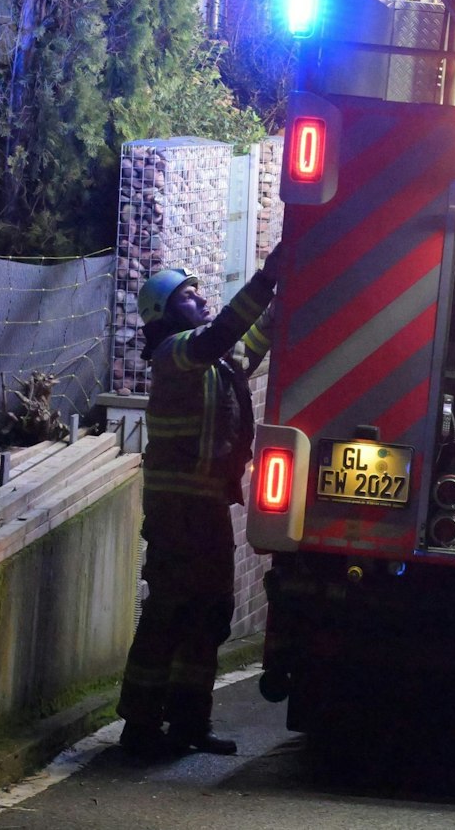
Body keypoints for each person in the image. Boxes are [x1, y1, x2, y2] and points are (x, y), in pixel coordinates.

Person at [117, 240, 285, 759]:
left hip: (206, 509)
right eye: (189, 295)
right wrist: (264, 279)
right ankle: (140, 725)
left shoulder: (213, 361)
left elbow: (253, 338)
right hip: (177, 515)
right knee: (168, 612)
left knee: (210, 612)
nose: (200, 298)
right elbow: (223, 335)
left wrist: (292, 285)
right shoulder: (176, 354)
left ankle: (189, 721)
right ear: (166, 314)